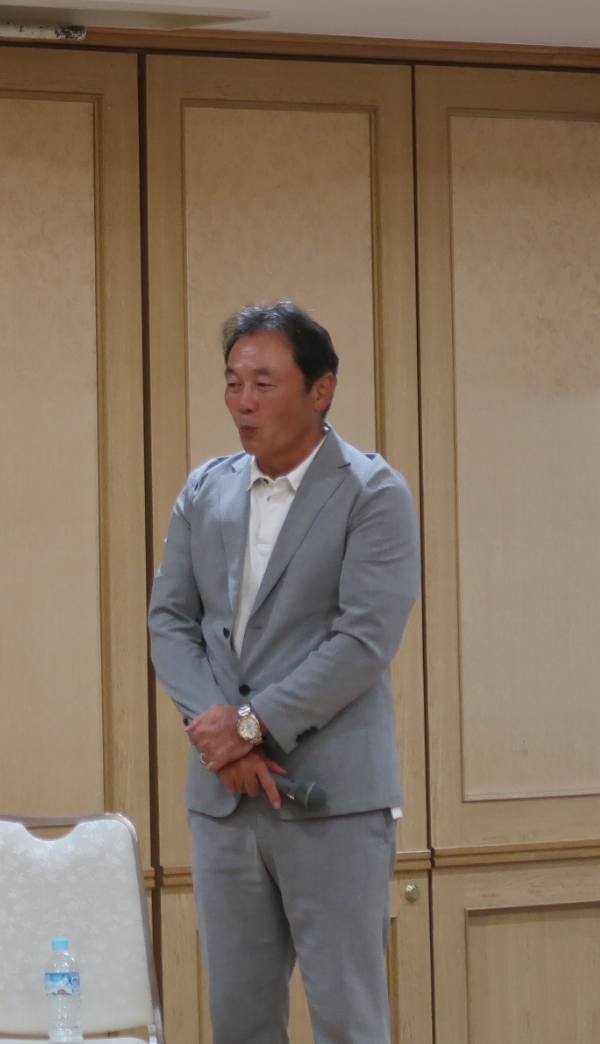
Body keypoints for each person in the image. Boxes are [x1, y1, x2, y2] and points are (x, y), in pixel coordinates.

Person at [147, 303, 421, 1044]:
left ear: (320, 389)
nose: (242, 401)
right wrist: (221, 738)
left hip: (332, 799)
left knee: (347, 1020)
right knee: (239, 1021)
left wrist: (249, 725)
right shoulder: (206, 490)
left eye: (263, 383)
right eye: (233, 383)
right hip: (225, 802)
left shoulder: (373, 493)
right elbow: (170, 621)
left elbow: (363, 641)